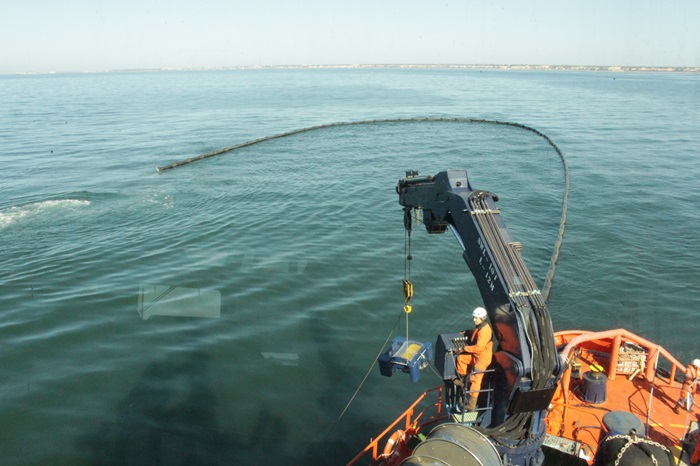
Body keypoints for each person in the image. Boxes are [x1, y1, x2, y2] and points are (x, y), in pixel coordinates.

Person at [454, 306, 493, 411]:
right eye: (474, 317)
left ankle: (471, 405)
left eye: (476, 318)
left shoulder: (485, 331)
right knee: (461, 359)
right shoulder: (481, 327)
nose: (474, 319)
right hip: (476, 356)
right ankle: (463, 380)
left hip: (482, 359)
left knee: (475, 380)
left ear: (482, 318)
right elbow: (476, 334)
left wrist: (463, 348)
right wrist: (468, 332)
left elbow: (478, 347)